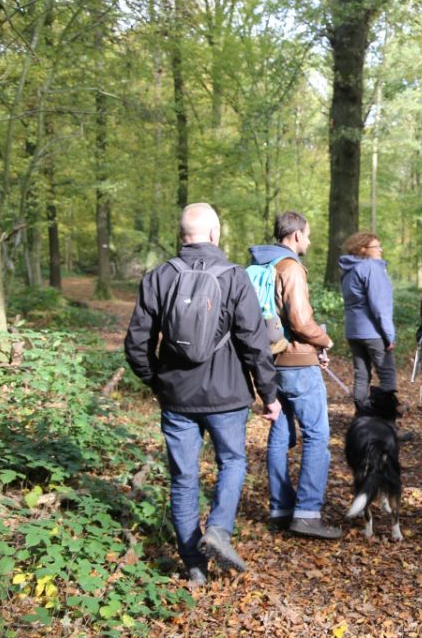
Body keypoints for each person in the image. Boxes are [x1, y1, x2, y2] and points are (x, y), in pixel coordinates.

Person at [124, 203, 282, 587]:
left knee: (183, 477)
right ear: (215, 234)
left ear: (182, 236)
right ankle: (219, 531)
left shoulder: (158, 277)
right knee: (232, 462)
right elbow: (254, 343)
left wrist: (156, 381)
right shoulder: (234, 277)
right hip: (227, 396)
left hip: (177, 398)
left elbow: (136, 343)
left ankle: (194, 565)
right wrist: (269, 393)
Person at [248, 211, 342, 539]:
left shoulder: (261, 266)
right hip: (299, 364)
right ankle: (307, 513)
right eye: (309, 234)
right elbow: (300, 321)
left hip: (270, 361)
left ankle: (280, 508)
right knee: (316, 435)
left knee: (280, 432)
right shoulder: (291, 268)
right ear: (297, 235)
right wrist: (324, 340)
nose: (311, 241)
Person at [338, 232, 397, 408]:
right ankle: (388, 423)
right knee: (387, 375)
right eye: (376, 247)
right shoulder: (371, 268)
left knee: (361, 375)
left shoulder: (349, 270)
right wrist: (389, 335)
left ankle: (362, 417)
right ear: (363, 249)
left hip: (354, 331)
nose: (381, 249)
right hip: (374, 332)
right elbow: (380, 306)